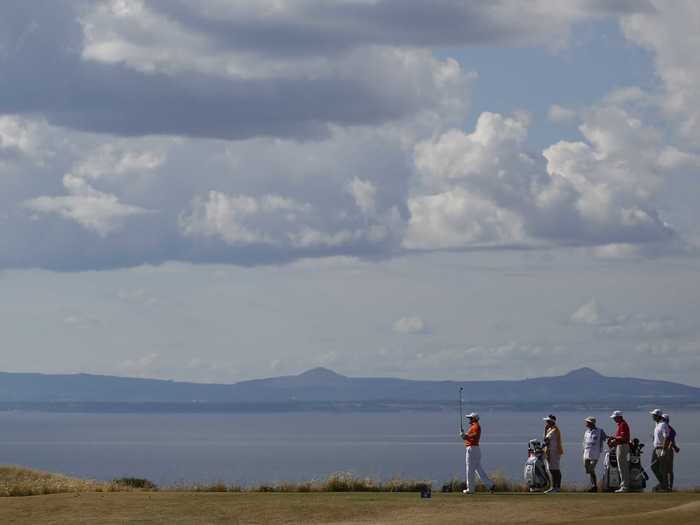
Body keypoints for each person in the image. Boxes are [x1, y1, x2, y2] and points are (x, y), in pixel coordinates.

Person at [460, 412, 496, 494]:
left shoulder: (475, 426)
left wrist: (465, 436)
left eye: (470, 418)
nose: (469, 419)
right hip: (475, 449)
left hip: (472, 449)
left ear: (474, 418)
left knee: (469, 469)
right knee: (478, 469)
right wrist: (464, 435)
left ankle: (470, 489)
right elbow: (471, 436)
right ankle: (490, 485)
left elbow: (474, 436)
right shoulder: (473, 426)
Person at [649, 409, 672, 491]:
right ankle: (663, 484)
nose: (652, 416)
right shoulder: (657, 424)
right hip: (656, 449)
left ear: (657, 416)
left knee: (663, 469)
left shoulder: (663, 425)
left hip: (661, 448)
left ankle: (665, 487)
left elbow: (667, 437)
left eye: (653, 415)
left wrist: (664, 450)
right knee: (653, 466)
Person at [582, 416, 606, 492]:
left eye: (587, 422)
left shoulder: (600, 431)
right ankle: (593, 485)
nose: (586, 423)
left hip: (595, 453)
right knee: (588, 469)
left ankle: (594, 486)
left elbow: (605, 438)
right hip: (586, 452)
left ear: (591, 423)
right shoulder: (586, 431)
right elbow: (584, 441)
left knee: (591, 469)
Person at [610, 410, 631, 493]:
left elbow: (623, 438)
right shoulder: (621, 424)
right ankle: (624, 485)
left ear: (619, 417)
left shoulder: (622, 425)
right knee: (622, 467)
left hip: (622, 446)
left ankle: (625, 486)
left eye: (615, 418)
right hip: (621, 446)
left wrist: (614, 439)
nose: (614, 419)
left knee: (622, 467)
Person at [543, 415, 564, 494]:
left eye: (547, 421)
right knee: (552, 469)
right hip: (550, 451)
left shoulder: (554, 430)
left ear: (551, 421)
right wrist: (545, 430)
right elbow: (545, 440)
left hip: (554, 452)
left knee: (554, 469)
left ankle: (556, 487)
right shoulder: (550, 429)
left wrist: (545, 431)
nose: (546, 422)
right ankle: (554, 487)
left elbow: (546, 440)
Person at [663, 414, 679, 490]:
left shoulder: (670, 429)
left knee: (669, 470)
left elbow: (671, 441)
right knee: (664, 469)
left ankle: (669, 486)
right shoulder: (663, 428)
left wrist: (672, 448)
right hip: (664, 449)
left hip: (668, 450)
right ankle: (665, 485)